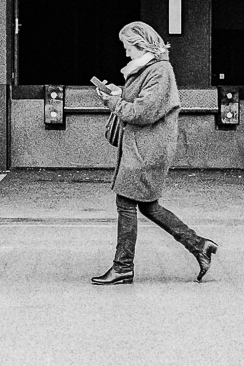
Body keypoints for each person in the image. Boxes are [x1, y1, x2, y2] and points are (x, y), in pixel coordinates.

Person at [89, 21, 218, 285]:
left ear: (141, 45)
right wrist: (119, 93)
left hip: (147, 150)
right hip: (143, 147)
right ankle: (199, 245)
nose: (125, 52)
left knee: (126, 202)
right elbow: (140, 100)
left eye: (128, 46)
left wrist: (113, 101)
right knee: (148, 205)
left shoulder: (160, 71)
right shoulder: (148, 69)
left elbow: (141, 112)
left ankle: (123, 267)